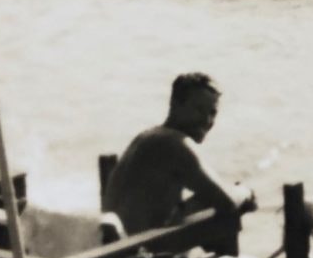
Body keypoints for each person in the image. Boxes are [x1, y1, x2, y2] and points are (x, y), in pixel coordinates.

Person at [103, 73, 256, 238]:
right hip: (139, 254)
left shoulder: (147, 137)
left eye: (212, 113)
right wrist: (245, 192)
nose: (206, 120)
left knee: (205, 199)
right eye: (199, 109)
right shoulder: (174, 143)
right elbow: (228, 202)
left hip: (119, 250)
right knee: (221, 204)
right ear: (175, 104)